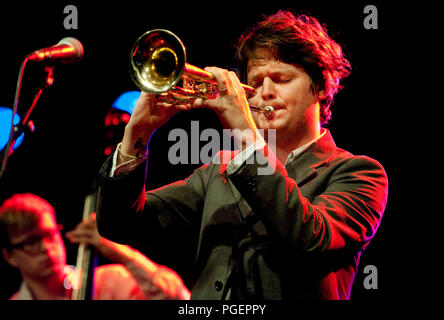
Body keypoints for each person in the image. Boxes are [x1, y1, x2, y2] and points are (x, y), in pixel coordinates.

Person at [96, 10, 388, 299]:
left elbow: (310, 238)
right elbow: (120, 225)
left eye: (281, 79)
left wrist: (247, 138)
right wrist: (137, 136)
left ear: (321, 86)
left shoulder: (359, 173)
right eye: (256, 83)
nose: (265, 93)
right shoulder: (219, 171)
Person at [0, 193, 190, 300]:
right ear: (10, 256)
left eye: (49, 234)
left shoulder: (109, 282)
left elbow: (180, 299)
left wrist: (123, 254)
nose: (45, 247)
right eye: (31, 241)